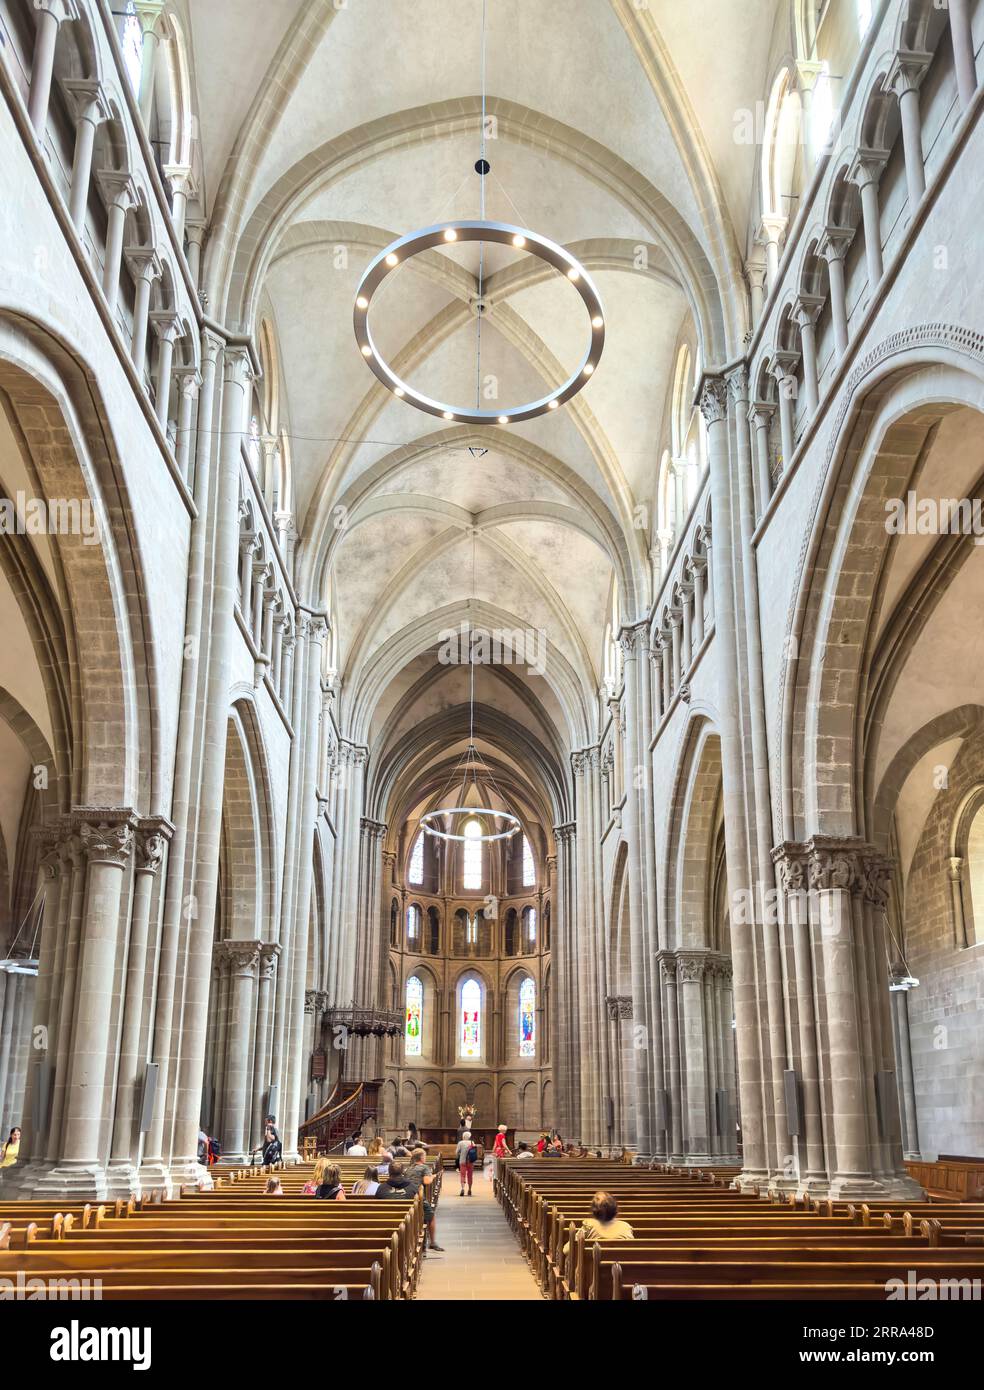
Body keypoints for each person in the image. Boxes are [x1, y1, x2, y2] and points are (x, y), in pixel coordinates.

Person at [406, 1147, 443, 1251]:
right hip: (418, 1196)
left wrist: (432, 1176)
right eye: (424, 1156)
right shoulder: (424, 1167)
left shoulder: (409, 1168)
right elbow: (427, 1181)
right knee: (431, 1216)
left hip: (407, 1195)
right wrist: (432, 1177)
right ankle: (433, 1242)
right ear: (422, 1158)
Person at [455, 1130, 477, 1195]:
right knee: (470, 1175)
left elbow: (456, 1152)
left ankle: (462, 1188)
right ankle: (469, 1189)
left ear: (463, 1136)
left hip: (462, 1161)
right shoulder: (472, 1142)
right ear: (469, 1137)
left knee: (462, 1175)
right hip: (470, 1161)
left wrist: (460, 1154)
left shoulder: (460, 1143)